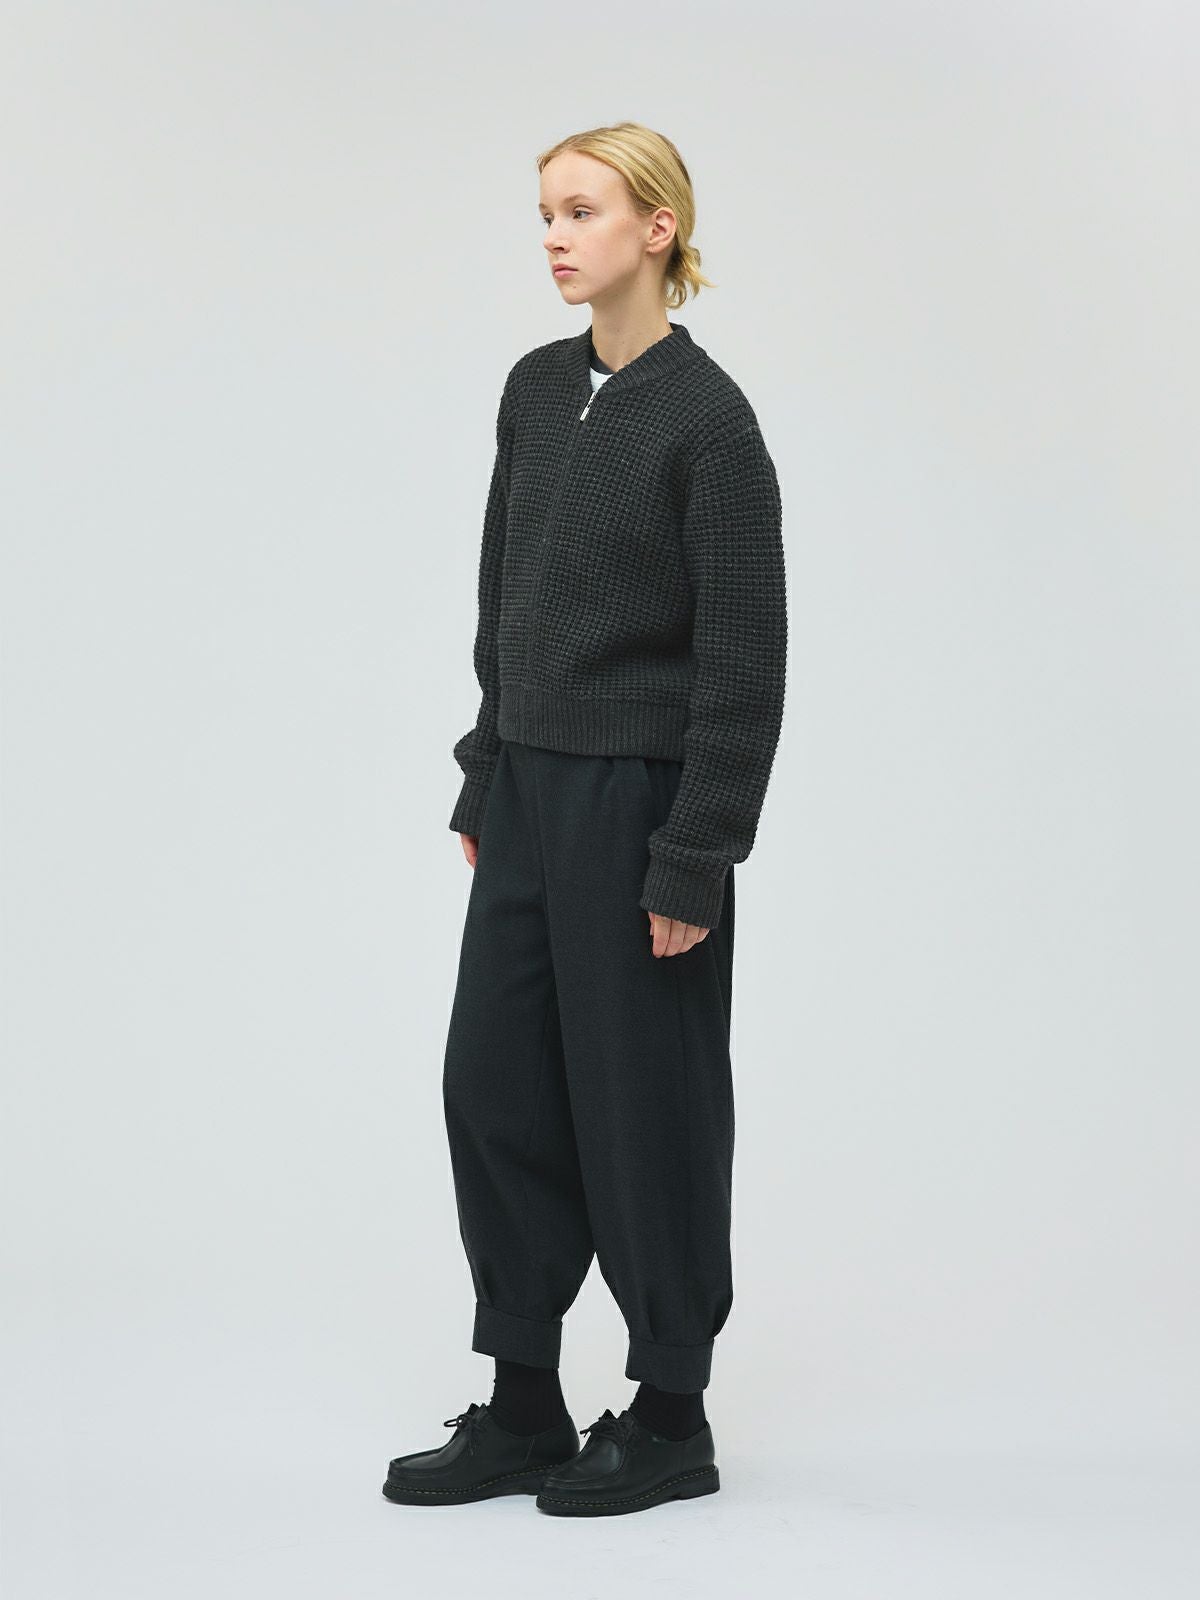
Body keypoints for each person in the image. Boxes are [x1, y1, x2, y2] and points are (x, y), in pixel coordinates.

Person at [383, 121, 787, 1517]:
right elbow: (502, 598)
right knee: (494, 1083)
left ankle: (671, 1415)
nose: (554, 236)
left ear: (657, 229)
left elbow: (744, 660)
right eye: (546, 213)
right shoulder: (536, 389)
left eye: (582, 210)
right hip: (530, 797)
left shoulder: (710, 422)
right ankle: (523, 1402)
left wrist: (697, 853)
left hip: (640, 809)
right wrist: (486, 772)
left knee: (644, 1101)